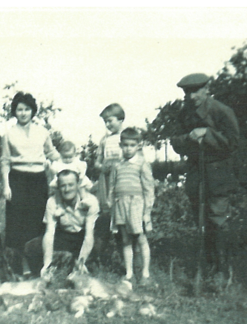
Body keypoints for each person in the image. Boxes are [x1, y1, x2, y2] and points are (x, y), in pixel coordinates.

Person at [170, 73, 239, 277]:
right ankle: (207, 264)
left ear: (207, 89)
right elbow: (175, 141)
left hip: (217, 173)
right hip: (195, 173)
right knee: (199, 220)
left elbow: (233, 143)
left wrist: (207, 134)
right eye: (187, 92)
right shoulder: (184, 114)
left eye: (195, 91)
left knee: (217, 219)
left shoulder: (221, 111)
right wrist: (189, 137)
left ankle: (222, 269)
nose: (191, 96)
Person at [0, 92, 60, 277]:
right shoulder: (8, 134)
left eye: (27, 109)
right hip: (17, 179)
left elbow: (52, 153)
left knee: (36, 222)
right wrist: (6, 185)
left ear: (33, 111)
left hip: (38, 179)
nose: (23, 113)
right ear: (14, 111)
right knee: (17, 224)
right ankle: (19, 267)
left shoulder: (42, 132)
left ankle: (37, 265)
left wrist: (70, 164)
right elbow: (4, 161)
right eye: (19, 109)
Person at [24, 169, 99, 279]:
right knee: (31, 247)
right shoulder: (52, 201)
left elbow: (89, 236)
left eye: (70, 185)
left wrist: (81, 261)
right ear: (58, 187)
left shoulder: (90, 201)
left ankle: (84, 262)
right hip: (65, 236)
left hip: (83, 236)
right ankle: (49, 269)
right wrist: (47, 263)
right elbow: (49, 234)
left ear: (78, 185)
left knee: (99, 237)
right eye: (63, 185)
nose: (67, 189)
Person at [107, 127, 155, 287]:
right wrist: (110, 203)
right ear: (121, 145)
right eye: (125, 145)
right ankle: (129, 273)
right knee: (125, 239)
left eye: (132, 145)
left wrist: (147, 211)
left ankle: (145, 273)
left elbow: (149, 188)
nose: (128, 148)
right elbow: (112, 186)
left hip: (136, 205)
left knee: (141, 238)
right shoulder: (117, 165)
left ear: (138, 146)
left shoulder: (142, 164)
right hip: (121, 204)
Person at [94, 103, 125, 213]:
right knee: (107, 202)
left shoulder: (126, 137)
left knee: (121, 200)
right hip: (106, 174)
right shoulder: (104, 139)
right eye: (105, 122)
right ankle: (109, 226)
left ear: (120, 120)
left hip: (122, 173)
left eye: (110, 120)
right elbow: (97, 162)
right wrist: (101, 167)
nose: (107, 124)